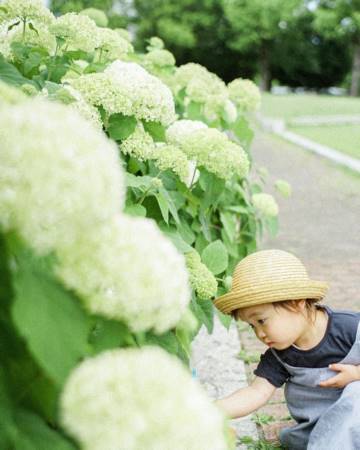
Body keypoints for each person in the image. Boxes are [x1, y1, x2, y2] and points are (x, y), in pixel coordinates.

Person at [213, 249, 360, 450]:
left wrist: (357, 373)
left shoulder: (350, 329)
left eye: (261, 321)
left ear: (296, 304)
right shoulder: (281, 355)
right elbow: (256, 393)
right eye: (252, 326)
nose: (259, 334)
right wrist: (209, 410)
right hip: (318, 433)